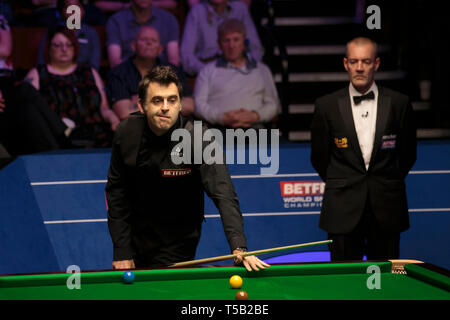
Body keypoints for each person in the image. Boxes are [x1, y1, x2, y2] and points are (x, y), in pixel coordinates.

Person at [105, 65, 269, 271]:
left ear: (180, 104)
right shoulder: (126, 133)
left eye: (172, 100)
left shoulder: (199, 138)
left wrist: (239, 247)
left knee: (161, 286)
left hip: (179, 233)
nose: (165, 107)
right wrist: (122, 250)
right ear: (141, 105)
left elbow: (223, 193)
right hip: (136, 229)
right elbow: (116, 193)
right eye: (157, 100)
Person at [310, 37, 417, 261]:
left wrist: (384, 181)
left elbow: (408, 154)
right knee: (344, 285)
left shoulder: (399, 103)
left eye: (366, 61)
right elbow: (319, 158)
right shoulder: (326, 105)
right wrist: (344, 182)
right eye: (354, 61)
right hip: (342, 208)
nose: (359, 67)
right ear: (345, 63)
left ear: (376, 64)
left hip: (387, 207)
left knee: (386, 284)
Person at [26, 26, 119, 148]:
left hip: (95, 134)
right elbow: (31, 116)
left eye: (69, 45)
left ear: (75, 48)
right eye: (58, 45)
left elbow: (104, 108)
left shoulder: (90, 72)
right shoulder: (37, 74)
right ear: (49, 48)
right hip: (57, 138)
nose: (64, 49)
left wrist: (114, 119)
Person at [194, 18, 279, 129]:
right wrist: (222, 117)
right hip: (218, 130)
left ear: (244, 42)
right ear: (219, 44)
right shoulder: (207, 71)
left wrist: (254, 116)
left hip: (254, 128)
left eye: (236, 40)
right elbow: (199, 105)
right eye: (226, 41)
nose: (231, 45)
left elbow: (273, 104)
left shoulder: (261, 70)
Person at [106, 26, 194, 121]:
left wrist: (145, 101)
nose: (149, 43)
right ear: (133, 46)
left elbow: (189, 106)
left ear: (160, 49)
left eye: (153, 40)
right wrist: (171, 101)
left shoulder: (173, 71)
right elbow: (124, 113)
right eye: (144, 40)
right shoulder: (119, 72)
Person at [181, 0, 263, 75]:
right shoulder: (197, 11)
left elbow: (256, 48)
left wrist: (245, 69)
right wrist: (208, 72)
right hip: (208, 71)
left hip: (240, 70)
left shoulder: (240, 9)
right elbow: (186, 55)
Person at [106, 0, 180, 68]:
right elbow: (114, 62)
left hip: (161, 74)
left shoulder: (169, 20)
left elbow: (173, 60)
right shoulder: (116, 21)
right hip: (127, 74)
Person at [36, 0, 102, 70]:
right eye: (69, 7)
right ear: (61, 12)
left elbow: (94, 64)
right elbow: (41, 60)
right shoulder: (52, 31)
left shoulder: (91, 32)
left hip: (84, 76)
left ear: (83, 10)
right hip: (55, 75)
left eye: (77, 6)